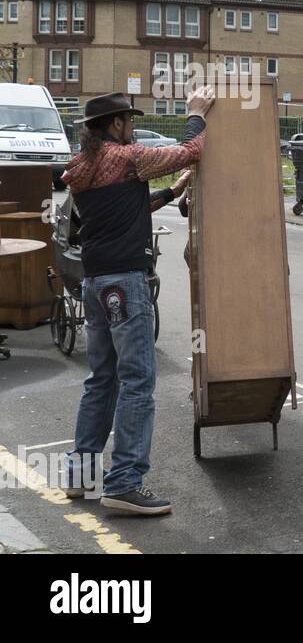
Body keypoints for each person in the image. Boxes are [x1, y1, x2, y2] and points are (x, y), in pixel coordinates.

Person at [59, 88, 215, 515]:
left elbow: (128, 207)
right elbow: (191, 149)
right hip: (126, 283)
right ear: (115, 124)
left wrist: (170, 193)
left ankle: (81, 475)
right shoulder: (127, 158)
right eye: (128, 120)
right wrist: (196, 113)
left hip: (94, 283)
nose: (132, 126)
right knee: (138, 381)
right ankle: (125, 482)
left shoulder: (85, 165)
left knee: (102, 379)